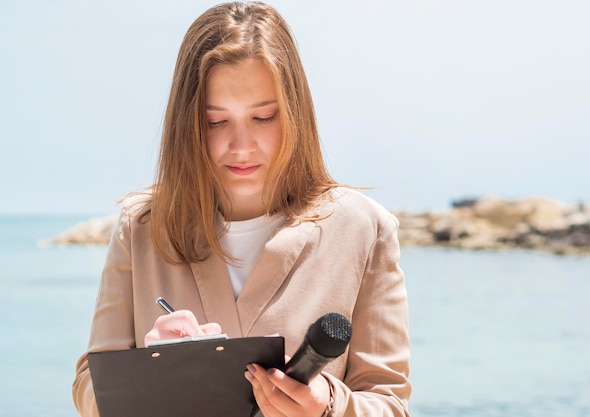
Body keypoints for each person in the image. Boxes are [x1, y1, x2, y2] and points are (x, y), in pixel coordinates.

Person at [72, 2, 411, 416]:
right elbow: (90, 385)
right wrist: (152, 369)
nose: (242, 146)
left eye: (263, 117)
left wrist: (329, 407)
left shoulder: (364, 228)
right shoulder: (141, 227)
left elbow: (390, 404)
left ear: (295, 113)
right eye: (216, 122)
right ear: (188, 124)